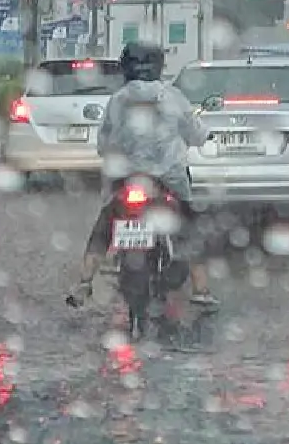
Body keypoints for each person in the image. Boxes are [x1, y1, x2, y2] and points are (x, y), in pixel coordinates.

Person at [67, 41, 214, 310]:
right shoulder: (174, 96)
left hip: (124, 179)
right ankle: (201, 287)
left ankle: (84, 282)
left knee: (104, 226)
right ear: (159, 66)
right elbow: (197, 134)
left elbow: (103, 145)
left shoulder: (118, 99)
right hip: (169, 178)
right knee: (189, 227)